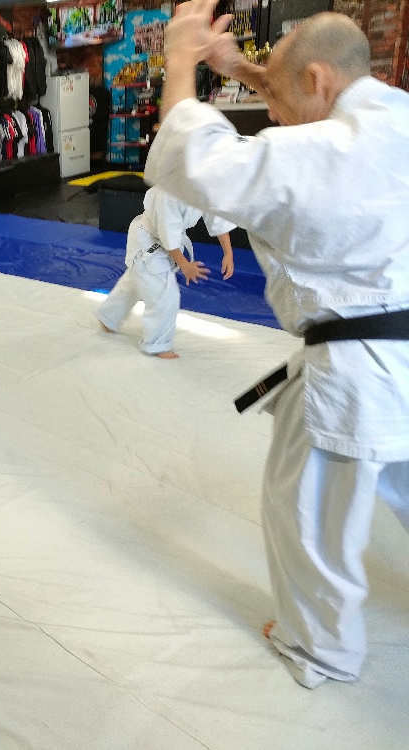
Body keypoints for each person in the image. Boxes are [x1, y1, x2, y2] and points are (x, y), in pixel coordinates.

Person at [149, 3, 409, 688]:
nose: (274, 113)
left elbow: (192, 163)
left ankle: (322, 648)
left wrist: (181, 61)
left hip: (355, 370)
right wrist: (244, 70)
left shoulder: (321, 151)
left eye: (280, 95)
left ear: (319, 80)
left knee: (308, 518)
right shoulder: (395, 120)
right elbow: (304, 96)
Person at [96, 184, 235, 358]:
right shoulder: (167, 193)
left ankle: (108, 316)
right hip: (148, 241)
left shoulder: (206, 186)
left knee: (137, 280)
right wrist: (185, 265)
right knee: (165, 294)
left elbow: (217, 218)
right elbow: (168, 236)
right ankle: (157, 344)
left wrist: (228, 253)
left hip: (165, 240)